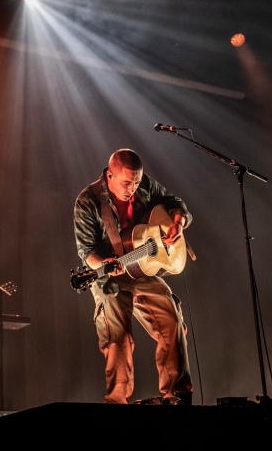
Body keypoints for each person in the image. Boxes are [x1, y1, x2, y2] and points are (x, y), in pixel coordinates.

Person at [73, 148, 193, 405]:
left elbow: (176, 203)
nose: (132, 188)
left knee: (172, 319)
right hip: (109, 276)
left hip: (142, 269)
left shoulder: (144, 185)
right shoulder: (88, 201)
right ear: (110, 175)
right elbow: (87, 252)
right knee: (117, 335)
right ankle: (117, 403)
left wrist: (178, 223)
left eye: (137, 181)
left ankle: (178, 397)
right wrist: (102, 263)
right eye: (127, 182)